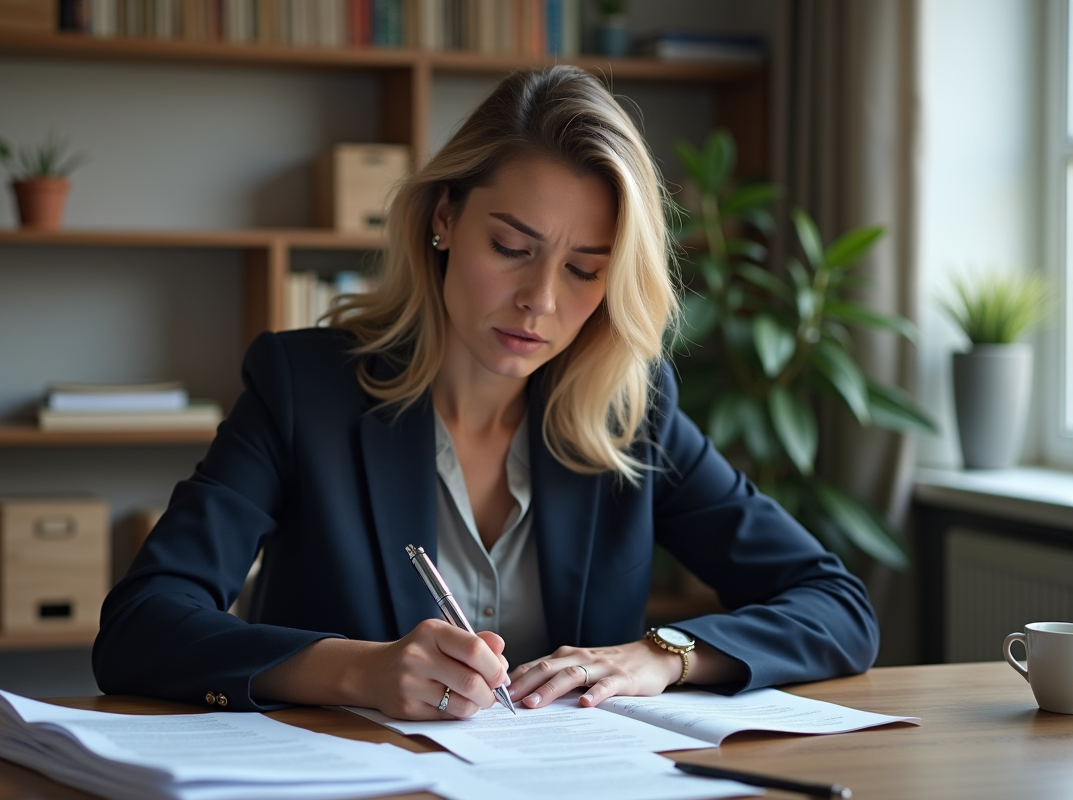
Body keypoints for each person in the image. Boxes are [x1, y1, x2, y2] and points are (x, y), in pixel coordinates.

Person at [93, 65, 878, 720]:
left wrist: (661, 656)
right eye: (511, 247)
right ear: (444, 218)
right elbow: (141, 625)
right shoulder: (303, 390)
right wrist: (355, 670)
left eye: (585, 269)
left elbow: (834, 604)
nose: (541, 299)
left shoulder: (634, 411)